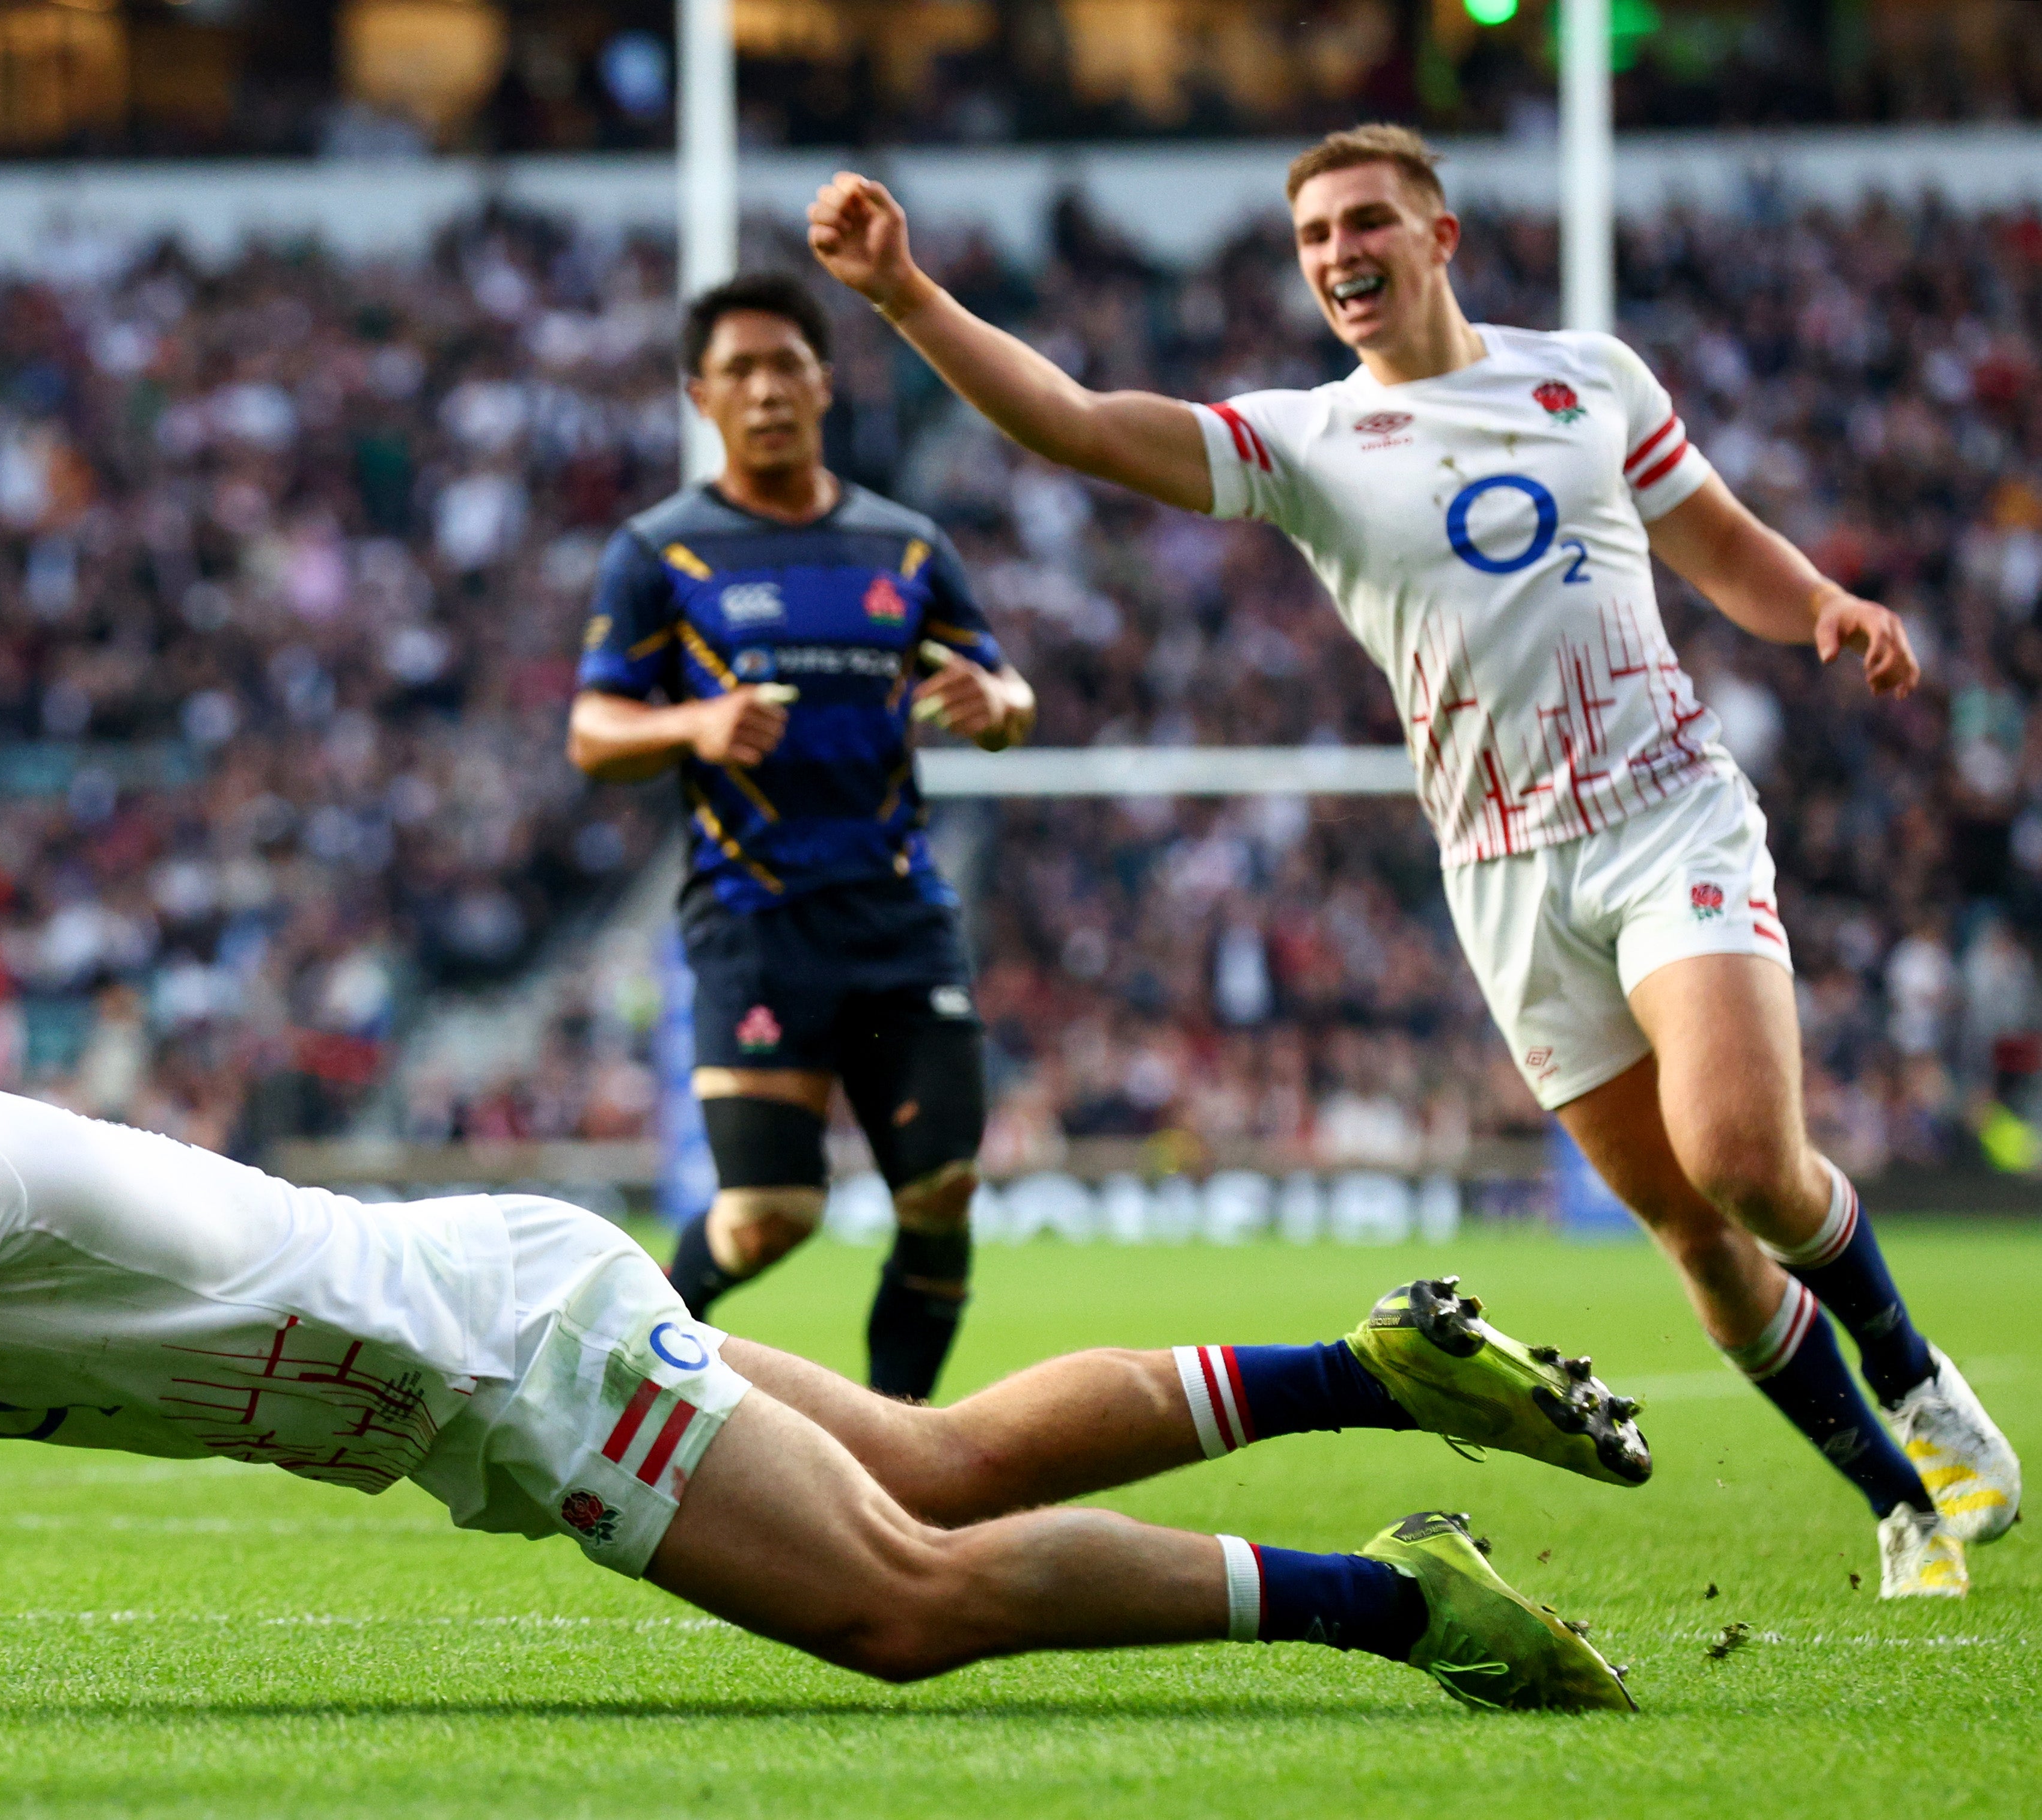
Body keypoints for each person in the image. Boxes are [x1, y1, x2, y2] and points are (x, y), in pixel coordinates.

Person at [804, 126, 2020, 1595]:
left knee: (1742, 1155)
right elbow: (1071, 420)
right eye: (1312, 236)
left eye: (1364, 220)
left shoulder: (1589, 379)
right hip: (1502, 873)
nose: (1336, 254)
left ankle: (1914, 1379)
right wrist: (905, 295)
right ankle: (1904, 1505)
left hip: (1663, 812)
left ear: (1439, 234)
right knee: (1693, 1236)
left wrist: (1823, 601)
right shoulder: (1306, 442)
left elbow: (1723, 545)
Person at [0, 931, 1648, 1711]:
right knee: (939, 1465)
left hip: (498, 1353)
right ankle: (1361, 1370)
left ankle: (1393, 1603)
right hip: (484, 1303)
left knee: (902, 1600)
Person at [567, 273, 1035, 1402]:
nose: (766, 389)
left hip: (898, 915)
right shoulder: (660, 553)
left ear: (825, 382)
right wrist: (696, 722)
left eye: (787, 365)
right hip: (754, 918)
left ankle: (902, 1439)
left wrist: (999, 708)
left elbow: (1005, 686)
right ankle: (607, 1378)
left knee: (943, 1191)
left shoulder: (905, 547)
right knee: (771, 1215)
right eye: (739, 370)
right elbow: (591, 731)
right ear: (699, 395)